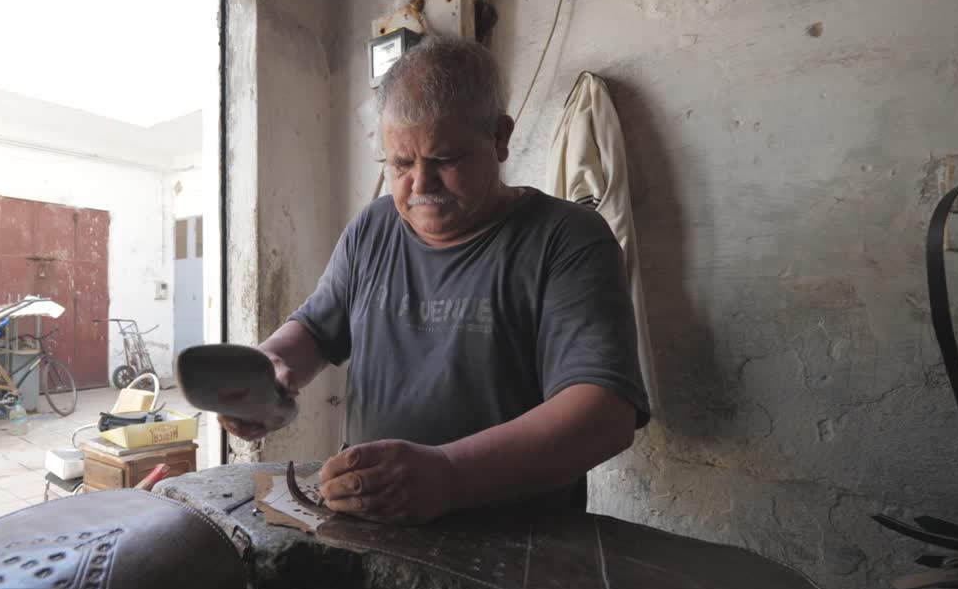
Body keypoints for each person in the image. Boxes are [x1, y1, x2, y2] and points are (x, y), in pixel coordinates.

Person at [219, 37, 650, 525]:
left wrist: (449, 474)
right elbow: (317, 329)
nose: (420, 186)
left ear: (500, 137)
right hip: (373, 524)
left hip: (517, 546)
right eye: (401, 164)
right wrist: (271, 364)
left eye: (445, 159)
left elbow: (605, 414)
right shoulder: (373, 227)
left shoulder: (567, 239)